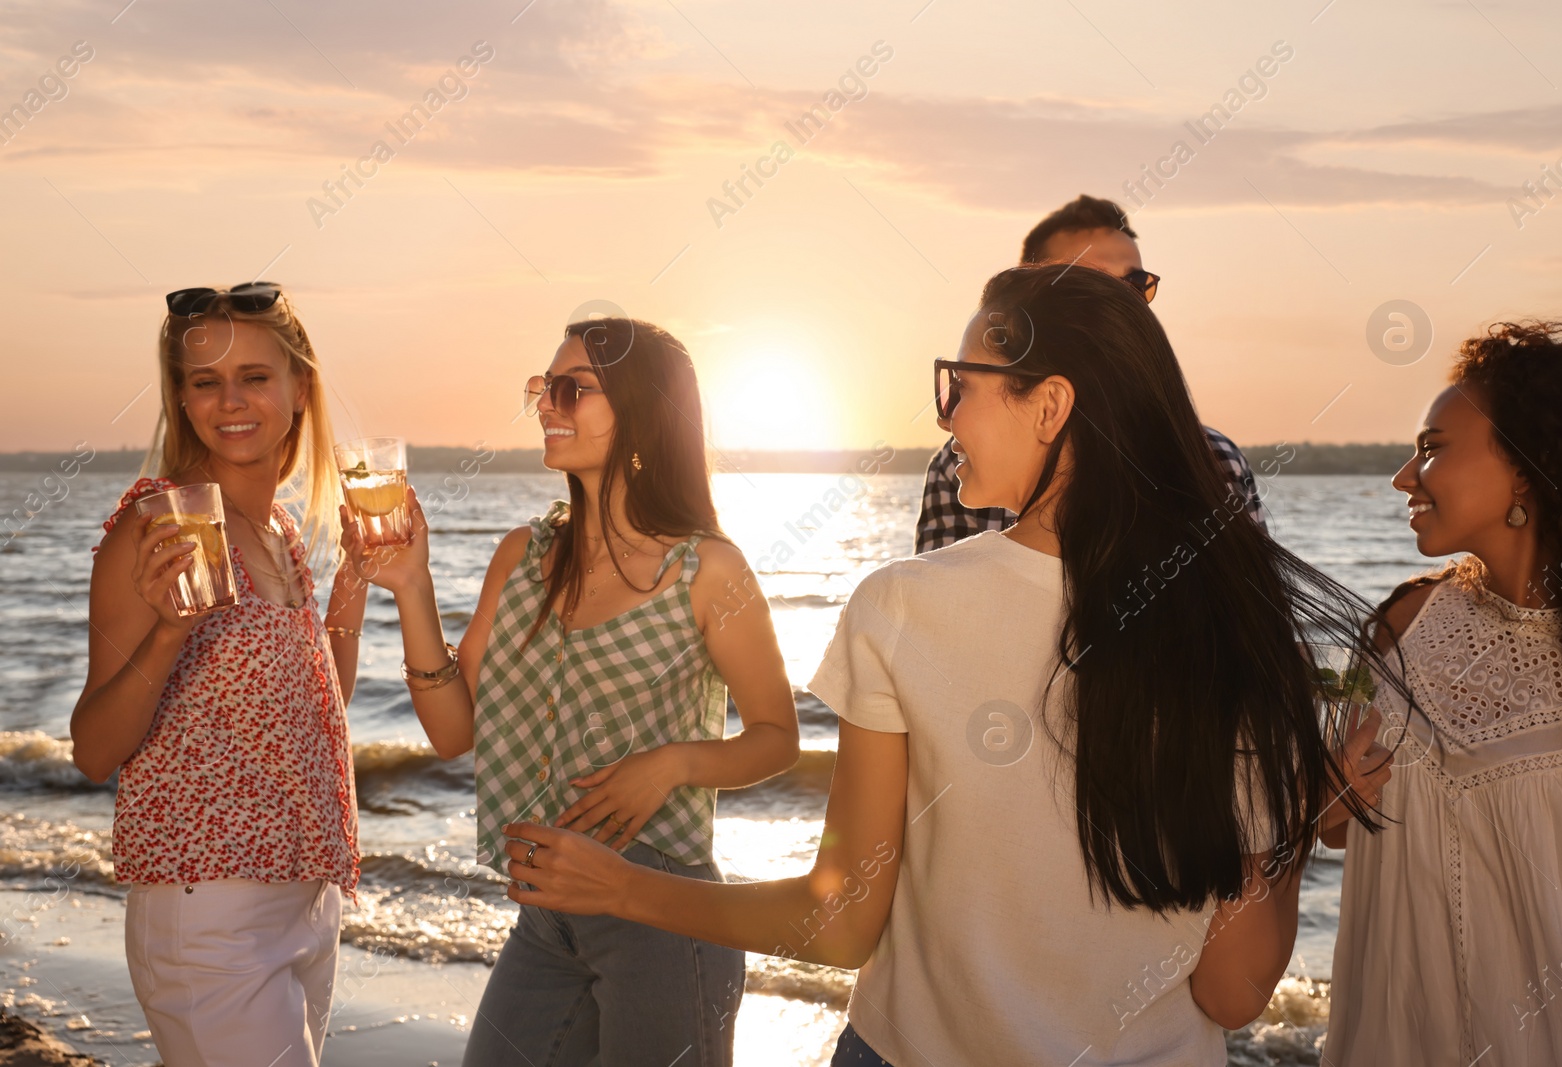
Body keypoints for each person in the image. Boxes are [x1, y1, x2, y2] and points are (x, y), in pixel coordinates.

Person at [496, 267, 1390, 1066]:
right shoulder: (1235, 628)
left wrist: (622, 887)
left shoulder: (902, 607)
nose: (947, 414)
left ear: (1049, 406)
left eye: (961, 387)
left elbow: (842, 919)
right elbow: (1232, 993)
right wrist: (1302, 818)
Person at [355, 317, 799, 1066]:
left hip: (662, 907)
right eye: (542, 388)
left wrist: (670, 764)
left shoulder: (708, 570)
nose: (546, 405)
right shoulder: (523, 556)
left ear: (642, 415)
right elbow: (453, 731)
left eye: (571, 389)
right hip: (546, 909)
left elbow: (778, 736)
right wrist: (410, 585)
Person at [71, 283, 366, 1067]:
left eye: (255, 376)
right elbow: (93, 748)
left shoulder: (280, 532)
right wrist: (171, 631)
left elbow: (313, 714)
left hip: (307, 900)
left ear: (300, 388)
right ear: (180, 399)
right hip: (210, 911)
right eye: (205, 381)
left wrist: (353, 593)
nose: (230, 400)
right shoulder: (155, 527)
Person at [1324, 321, 1562, 1064]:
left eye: (1433, 448)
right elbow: (1327, 825)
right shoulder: (1394, 622)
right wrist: (1329, 784)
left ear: (1525, 468)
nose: (1404, 477)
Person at [916, 194, 1263, 553]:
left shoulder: (1216, 461)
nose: (1118, 306)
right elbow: (937, 596)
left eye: (1134, 285)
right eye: (1084, 284)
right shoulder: (961, 465)